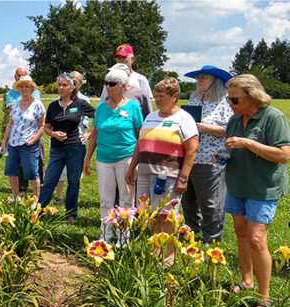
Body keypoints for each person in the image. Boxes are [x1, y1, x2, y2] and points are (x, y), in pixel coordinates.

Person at [217, 74, 290, 307]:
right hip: (238, 184)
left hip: (263, 187)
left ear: (253, 96)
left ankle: (265, 297)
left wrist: (248, 144)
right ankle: (246, 280)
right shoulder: (235, 119)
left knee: (257, 238)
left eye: (234, 100)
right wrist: (222, 155)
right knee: (240, 231)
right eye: (229, 99)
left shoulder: (273, 117)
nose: (230, 104)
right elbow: (231, 146)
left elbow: (283, 155)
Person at [126, 77, 199, 264]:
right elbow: (140, 144)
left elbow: (192, 150)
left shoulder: (184, 119)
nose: (157, 100)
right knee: (147, 213)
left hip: (168, 175)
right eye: (156, 96)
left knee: (166, 215)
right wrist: (132, 167)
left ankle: (169, 255)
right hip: (144, 172)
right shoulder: (151, 117)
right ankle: (154, 249)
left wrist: (184, 178)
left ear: (175, 96)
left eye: (161, 96)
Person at [85, 67, 143, 244]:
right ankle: (105, 234)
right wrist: (87, 158)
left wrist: (135, 163)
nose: (108, 87)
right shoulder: (102, 107)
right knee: (105, 199)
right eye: (106, 83)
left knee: (126, 198)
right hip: (104, 158)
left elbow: (141, 135)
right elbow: (94, 133)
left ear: (124, 86)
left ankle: (123, 238)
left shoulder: (133, 107)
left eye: (112, 84)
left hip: (126, 157)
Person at [181, 65, 234, 244]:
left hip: (215, 158)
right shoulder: (194, 99)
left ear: (215, 82)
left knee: (211, 202)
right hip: (190, 157)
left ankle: (211, 239)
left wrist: (203, 127)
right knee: (188, 200)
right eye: (198, 78)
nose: (199, 81)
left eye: (204, 78)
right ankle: (191, 232)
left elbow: (231, 130)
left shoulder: (226, 101)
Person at [38, 73, 95, 221]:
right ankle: (39, 211)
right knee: (50, 180)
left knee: (73, 181)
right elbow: (46, 127)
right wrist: (54, 134)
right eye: (59, 85)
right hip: (57, 149)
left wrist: (89, 133)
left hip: (75, 148)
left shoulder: (80, 104)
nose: (61, 88)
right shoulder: (52, 106)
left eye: (64, 85)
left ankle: (71, 214)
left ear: (72, 88)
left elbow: (98, 116)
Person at [0, 75, 45, 199]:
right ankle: (16, 197)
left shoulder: (37, 105)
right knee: (11, 171)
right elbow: (10, 124)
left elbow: (42, 126)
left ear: (31, 89)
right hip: (13, 144)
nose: (24, 89)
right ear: (18, 89)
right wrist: (4, 142)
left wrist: (33, 140)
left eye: (27, 86)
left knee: (32, 173)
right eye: (21, 87)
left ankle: (36, 199)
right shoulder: (15, 105)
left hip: (28, 144)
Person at [55, 71, 92, 203]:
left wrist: (89, 133)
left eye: (76, 81)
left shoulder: (84, 100)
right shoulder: (61, 98)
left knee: (75, 171)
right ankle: (59, 196)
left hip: (78, 138)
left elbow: (95, 118)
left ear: (80, 84)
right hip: (62, 139)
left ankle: (72, 198)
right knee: (60, 169)